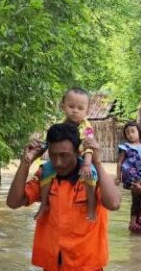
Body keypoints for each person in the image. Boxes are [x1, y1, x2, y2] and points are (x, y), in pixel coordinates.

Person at [6, 122, 121, 271]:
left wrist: (97, 162)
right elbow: (13, 202)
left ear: (77, 152)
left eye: (65, 156)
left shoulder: (92, 176)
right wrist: (25, 162)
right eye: (53, 155)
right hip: (52, 270)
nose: (58, 162)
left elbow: (114, 203)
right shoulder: (45, 175)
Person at [35, 88, 99, 222]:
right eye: (71, 106)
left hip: (82, 159)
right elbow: (51, 143)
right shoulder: (59, 125)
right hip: (63, 160)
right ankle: (44, 204)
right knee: (46, 171)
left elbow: (89, 147)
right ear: (62, 106)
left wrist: (87, 164)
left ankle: (91, 206)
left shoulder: (86, 128)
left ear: (87, 110)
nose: (75, 110)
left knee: (91, 174)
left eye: (80, 108)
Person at [115, 121, 141, 232]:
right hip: (130, 175)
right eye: (127, 133)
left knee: (136, 198)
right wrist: (118, 177)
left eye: (133, 131)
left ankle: (133, 222)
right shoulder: (125, 147)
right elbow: (119, 163)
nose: (130, 134)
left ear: (139, 132)